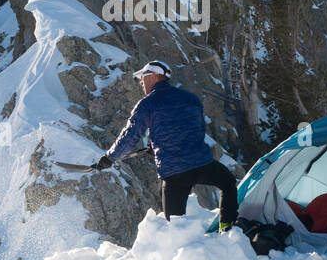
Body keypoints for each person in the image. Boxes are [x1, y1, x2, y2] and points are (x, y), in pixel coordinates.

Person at [97, 59, 238, 230]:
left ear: (154, 77)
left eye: (143, 78)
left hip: (174, 172)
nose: (142, 82)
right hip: (201, 164)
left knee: (175, 226)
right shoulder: (191, 99)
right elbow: (198, 129)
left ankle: (180, 249)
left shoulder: (147, 104)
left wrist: (110, 157)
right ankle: (227, 228)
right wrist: (156, 147)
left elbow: (130, 136)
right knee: (228, 182)